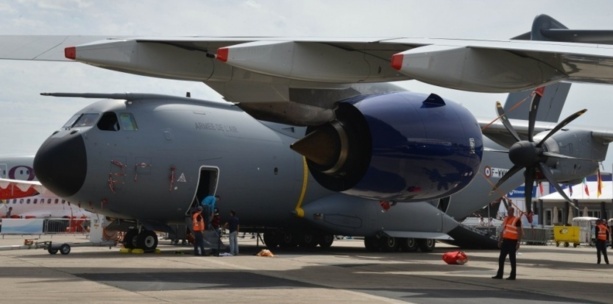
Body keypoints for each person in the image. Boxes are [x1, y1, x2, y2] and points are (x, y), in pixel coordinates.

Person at [492, 206, 522, 280]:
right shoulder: (505, 219)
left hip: (513, 241)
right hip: (505, 241)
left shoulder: (517, 220)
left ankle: (513, 275)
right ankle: (499, 274)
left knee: (512, 259)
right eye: (508, 211)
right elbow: (502, 230)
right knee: (501, 258)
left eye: (510, 211)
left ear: (513, 211)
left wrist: (518, 242)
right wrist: (500, 240)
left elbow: (519, 232)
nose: (509, 212)